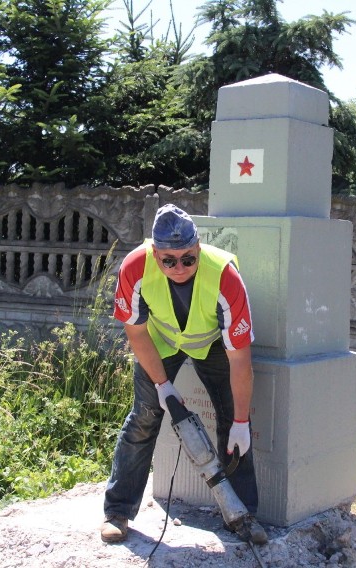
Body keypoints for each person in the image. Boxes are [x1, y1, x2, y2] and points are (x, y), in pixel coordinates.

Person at [101, 203, 267, 545]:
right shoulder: (134, 267)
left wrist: (239, 422)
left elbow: (240, 360)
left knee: (231, 423)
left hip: (212, 344)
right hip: (161, 341)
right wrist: (162, 386)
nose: (179, 267)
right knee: (144, 417)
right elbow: (136, 333)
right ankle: (118, 511)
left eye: (188, 258)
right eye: (169, 260)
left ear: (198, 249)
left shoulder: (225, 276)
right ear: (155, 252)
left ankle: (242, 515)